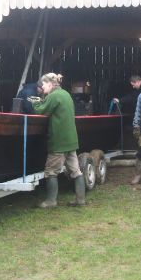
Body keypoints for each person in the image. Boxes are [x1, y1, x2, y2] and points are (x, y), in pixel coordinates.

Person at [30, 73, 86, 207]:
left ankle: (51, 201)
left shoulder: (54, 96)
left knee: (51, 172)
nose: (42, 87)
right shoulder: (65, 94)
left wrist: (35, 102)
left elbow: (41, 111)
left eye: (43, 84)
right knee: (75, 171)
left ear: (49, 84)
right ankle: (80, 200)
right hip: (71, 141)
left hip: (59, 142)